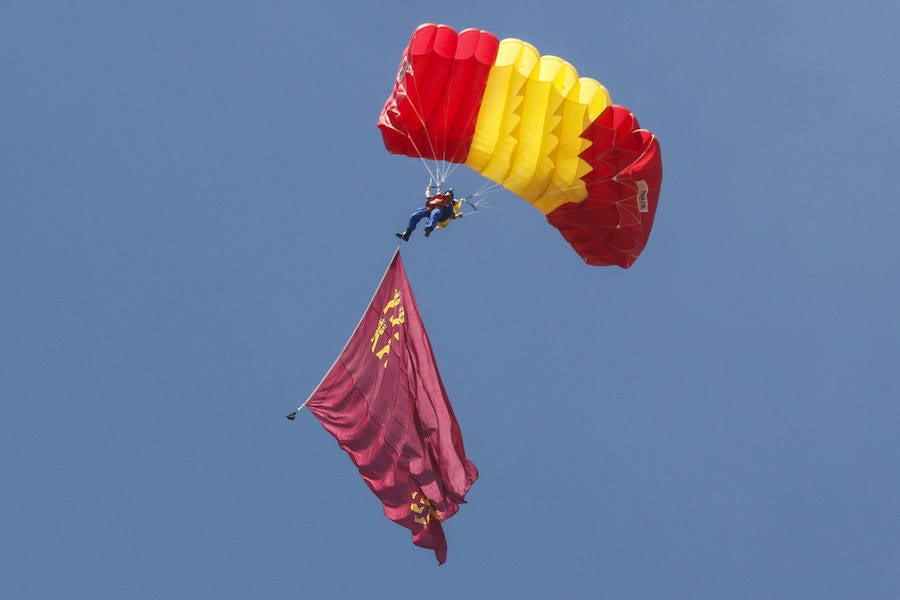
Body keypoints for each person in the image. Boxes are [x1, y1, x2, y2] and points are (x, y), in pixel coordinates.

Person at [395, 186, 464, 241]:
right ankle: (407, 233)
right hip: (429, 210)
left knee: (436, 212)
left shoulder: (449, 204)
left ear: (451, 198)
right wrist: (428, 188)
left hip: (439, 213)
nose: (449, 193)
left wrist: (458, 216)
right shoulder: (437, 198)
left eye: (450, 194)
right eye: (448, 192)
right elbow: (427, 195)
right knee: (415, 215)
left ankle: (430, 228)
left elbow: (451, 216)